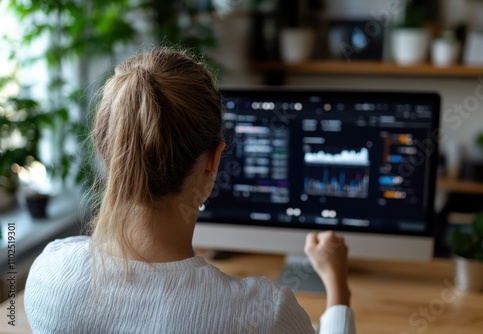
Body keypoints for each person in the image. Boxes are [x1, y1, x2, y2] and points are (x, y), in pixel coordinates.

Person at [24, 47, 356, 333]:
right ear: (213, 160)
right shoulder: (264, 315)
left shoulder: (49, 273)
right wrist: (337, 288)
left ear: (106, 150)